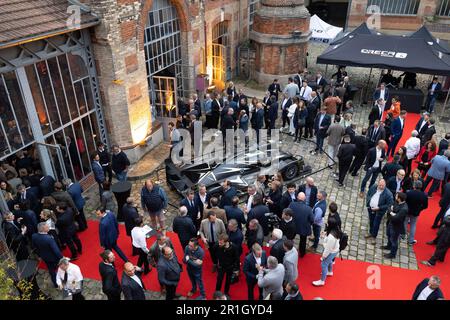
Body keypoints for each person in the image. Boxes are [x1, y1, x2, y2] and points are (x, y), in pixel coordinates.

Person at [312, 217, 341, 287]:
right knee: (329, 261)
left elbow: (328, 248)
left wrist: (323, 256)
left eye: (327, 223)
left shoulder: (331, 236)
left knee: (324, 264)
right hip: (335, 250)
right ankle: (330, 272)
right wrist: (325, 234)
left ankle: (322, 281)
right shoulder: (336, 230)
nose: (326, 224)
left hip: (331, 251)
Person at [32, 222, 63, 287]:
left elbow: (35, 247)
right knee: (61, 268)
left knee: (52, 271)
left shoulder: (34, 236)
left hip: (45, 257)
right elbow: (56, 250)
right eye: (47, 227)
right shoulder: (48, 239)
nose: (49, 227)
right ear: (43, 229)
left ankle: (56, 284)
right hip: (54, 258)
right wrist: (61, 258)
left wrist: (39, 255)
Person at [365, 179, 394, 245]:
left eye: (382, 186)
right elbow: (369, 193)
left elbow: (389, 204)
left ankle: (374, 236)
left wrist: (379, 208)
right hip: (370, 208)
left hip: (379, 211)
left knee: (376, 223)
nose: (381, 187)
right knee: (371, 221)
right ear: (378, 184)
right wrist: (368, 201)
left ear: (385, 185)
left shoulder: (388, 194)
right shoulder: (374, 187)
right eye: (380, 185)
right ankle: (371, 232)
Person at [383, 192, 408, 259]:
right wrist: (392, 212)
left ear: (399, 199)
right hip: (391, 222)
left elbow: (396, 217)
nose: (395, 197)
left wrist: (391, 212)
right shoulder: (396, 202)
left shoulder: (404, 209)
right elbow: (389, 206)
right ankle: (389, 246)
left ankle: (392, 254)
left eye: (396, 196)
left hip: (396, 226)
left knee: (394, 240)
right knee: (388, 234)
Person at [289, 192, 314, 257]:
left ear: (297, 197)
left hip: (293, 226)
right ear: (304, 199)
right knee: (303, 241)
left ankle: (288, 248)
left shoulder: (292, 204)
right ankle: (302, 253)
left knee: (290, 237)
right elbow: (312, 220)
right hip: (303, 227)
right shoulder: (308, 209)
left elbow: (288, 213)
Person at [405, 181, 428, 245]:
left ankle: (402, 235)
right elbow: (425, 206)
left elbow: (404, 201)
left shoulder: (409, 193)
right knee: (413, 225)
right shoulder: (424, 195)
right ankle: (411, 240)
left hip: (407, 210)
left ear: (414, 186)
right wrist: (419, 209)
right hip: (416, 212)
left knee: (405, 222)